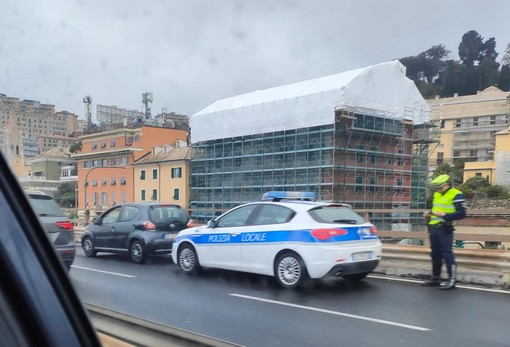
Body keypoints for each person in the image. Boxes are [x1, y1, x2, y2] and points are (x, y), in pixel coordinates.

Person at [421, 174, 467, 290]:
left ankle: (452, 282)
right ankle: (436, 279)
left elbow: (462, 214)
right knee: (435, 254)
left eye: (439, 187)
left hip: (445, 228)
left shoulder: (456, 194)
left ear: (446, 185)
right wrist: (429, 213)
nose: (438, 190)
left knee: (447, 254)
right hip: (434, 228)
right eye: (436, 188)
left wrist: (445, 215)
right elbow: (437, 209)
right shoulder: (437, 194)